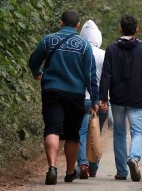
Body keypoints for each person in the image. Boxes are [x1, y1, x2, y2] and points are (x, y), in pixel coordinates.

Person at [28, 10, 99, 185]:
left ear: (61, 22)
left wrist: (38, 72)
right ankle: (69, 172)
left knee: (52, 128)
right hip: (75, 94)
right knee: (72, 134)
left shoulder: (48, 40)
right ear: (77, 25)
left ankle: (52, 167)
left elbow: (33, 61)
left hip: (51, 91)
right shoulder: (84, 45)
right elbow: (90, 76)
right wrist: (95, 100)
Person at [99, 14, 142, 182]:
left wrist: (103, 98)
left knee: (119, 133)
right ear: (137, 29)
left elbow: (106, 75)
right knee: (137, 132)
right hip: (137, 99)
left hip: (117, 99)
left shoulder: (112, 48)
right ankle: (133, 158)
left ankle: (121, 171)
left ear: (120, 29)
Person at [76, 20, 107, 179]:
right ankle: (93, 167)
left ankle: (82, 164)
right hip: (99, 100)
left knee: (81, 132)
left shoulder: (77, 53)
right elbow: (108, 79)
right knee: (96, 132)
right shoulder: (104, 55)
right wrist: (105, 99)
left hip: (81, 99)